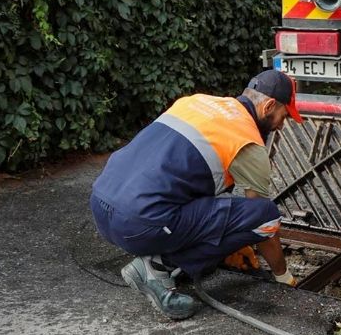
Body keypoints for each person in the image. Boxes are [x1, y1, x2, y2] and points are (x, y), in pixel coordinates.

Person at [90, 70, 302, 320]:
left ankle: (159, 252)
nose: (281, 125)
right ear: (268, 106)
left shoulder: (196, 102)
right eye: (284, 116)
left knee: (197, 195)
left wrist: (236, 244)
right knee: (266, 214)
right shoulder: (247, 140)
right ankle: (156, 267)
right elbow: (261, 220)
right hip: (139, 224)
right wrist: (283, 276)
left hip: (101, 206)